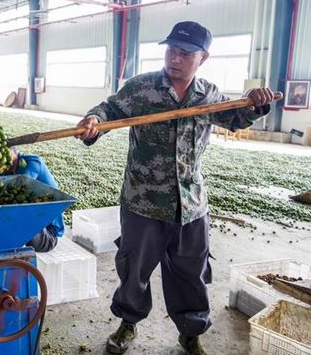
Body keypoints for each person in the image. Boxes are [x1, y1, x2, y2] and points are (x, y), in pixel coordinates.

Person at [76, 21, 275, 355]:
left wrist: (254, 104)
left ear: (203, 57)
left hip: (191, 203)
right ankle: (128, 323)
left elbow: (236, 118)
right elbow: (108, 109)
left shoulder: (208, 95)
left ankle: (191, 333)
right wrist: (93, 121)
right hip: (142, 201)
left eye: (185, 53)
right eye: (171, 50)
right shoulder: (142, 88)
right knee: (133, 269)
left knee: (190, 272)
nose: (175, 59)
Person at [0, 149, 62, 252]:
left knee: (15, 215)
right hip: (32, 225)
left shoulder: (33, 163)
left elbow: (21, 188)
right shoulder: (6, 172)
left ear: (14, 152)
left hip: (48, 235)